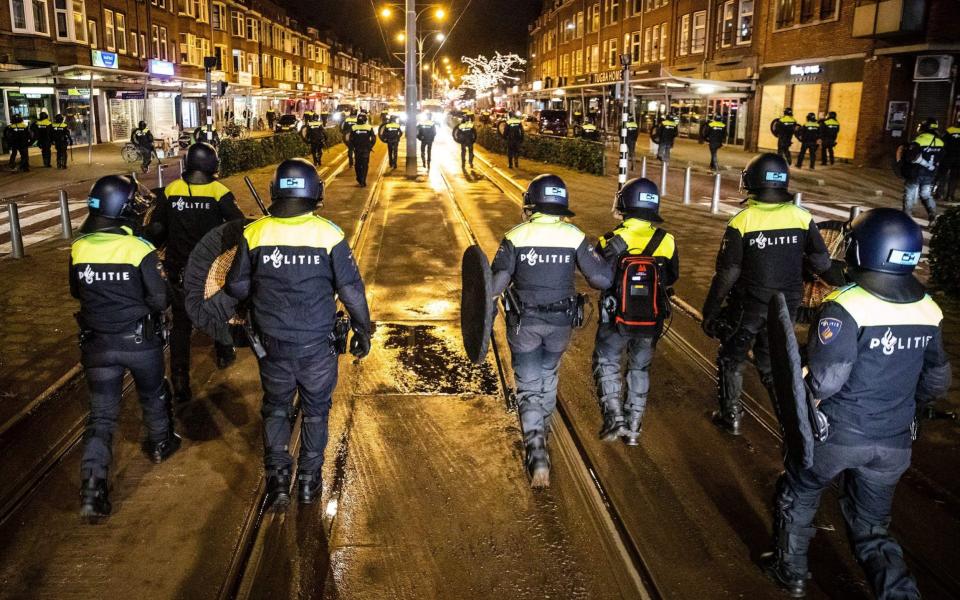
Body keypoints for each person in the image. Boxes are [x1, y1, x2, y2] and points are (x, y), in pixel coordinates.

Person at [762, 208, 951, 599]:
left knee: (799, 491)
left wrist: (802, 380)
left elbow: (829, 380)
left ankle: (790, 570)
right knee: (872, 527)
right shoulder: (929, 309)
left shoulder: (847, 305)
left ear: (863, 250)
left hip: (837, 437)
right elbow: (936, 381)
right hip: (894, 444)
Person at [226, 158, 372, 510]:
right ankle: (308, 482)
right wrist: (363, 330)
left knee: (276, 409)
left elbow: (236, 286)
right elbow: (351, 289)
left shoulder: (255, 233)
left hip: (272, 348)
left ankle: (277, 483)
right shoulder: (329, 234)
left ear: (275, 190)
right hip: (317, 349)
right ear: (315, 192)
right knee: (316, 412)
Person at [490, 175, 612, 487]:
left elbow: (495, 285)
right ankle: (542, 431)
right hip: (560, 325)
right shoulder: (574, 235)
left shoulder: (515, 235)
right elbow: (601, 279)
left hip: (524, 325)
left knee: (528, 385)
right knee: (549, 374)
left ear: (530, 204)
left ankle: (537, 453)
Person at [70, 175, 180, 519]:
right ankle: (161, 444)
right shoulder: (140, 249)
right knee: (153, 394)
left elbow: (77, 291)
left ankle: (92, 487)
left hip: (98, 345)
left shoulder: (80, 247)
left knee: (101, 415)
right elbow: (160, 298)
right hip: (139, 342)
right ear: (123, 208)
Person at [701, 153, 832, 435]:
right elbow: (822, 262)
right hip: (785, 309)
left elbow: (728, 273)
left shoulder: (743, 221)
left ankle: (731, 417)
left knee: (731, 357)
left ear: (752, 183)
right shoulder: (802, 217)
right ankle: (792, 426)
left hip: (747, 308)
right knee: (774, 368)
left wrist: (710, 310)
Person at [146, 142, 244, 403]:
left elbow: (157, 229)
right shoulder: (219, 191)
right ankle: (225, 352)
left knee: (181, 326)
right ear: (213, 164)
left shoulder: (172, 190)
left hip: (179, 271)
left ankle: (180, 381)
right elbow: (238, 225)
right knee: (218, 311)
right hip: (210, 272)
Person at [593, 177, 679, 445]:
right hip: (650, 318)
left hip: (615, 318)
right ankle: (633, 427)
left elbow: (600, 279)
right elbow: (672, 277)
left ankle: (614, 416)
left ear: (624, 203)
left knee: (607, 362)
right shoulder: (667, 240)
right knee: (640, 367)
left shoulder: (609, 239)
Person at [901, 117, 943, 224]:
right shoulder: (940, 142)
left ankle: (907, 219)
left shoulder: (919, 140)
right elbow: (941, 158)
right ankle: (933, 217)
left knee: (909, 195)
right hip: (930, 174)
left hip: (915, 173)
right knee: (926, 195)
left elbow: (909, 157)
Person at [937, 114, 960, 203]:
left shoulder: (950, 130)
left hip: (947, 157)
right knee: (954, 177)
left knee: (942, 175)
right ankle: (950, 196)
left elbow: (942, 142)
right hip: (958, 159)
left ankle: (939, 193)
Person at [350, 113, 376, 187]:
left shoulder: (354, 127)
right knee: (365, 165)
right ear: (365, 119)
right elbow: (373, 138)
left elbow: (350, 139)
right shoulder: (369, 127)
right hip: (366, 149)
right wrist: (370, 146)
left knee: (357, 165)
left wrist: (353, 147)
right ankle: (363, 180)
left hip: (357, 149)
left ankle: (359, 178)